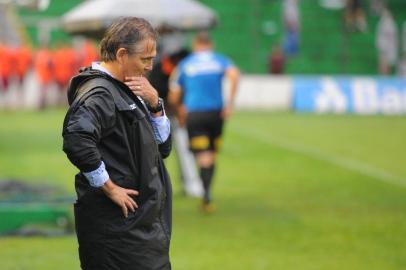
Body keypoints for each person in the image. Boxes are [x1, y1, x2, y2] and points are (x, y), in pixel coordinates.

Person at [62, 17, 172, 270]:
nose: (150, 66)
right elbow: (76, 138)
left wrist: (156, 105)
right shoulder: (100, 92)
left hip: (141, 226)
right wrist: (109, 187)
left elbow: (163, 149)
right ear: (122, 54)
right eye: (145, 59)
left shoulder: (131, 88)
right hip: (119, 230)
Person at [168, 31, 239, 213]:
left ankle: (206, 194)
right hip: (216, 114)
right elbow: (234, 75)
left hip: (195, 115)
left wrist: (180, 110)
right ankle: (207, 193)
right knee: (212, 154)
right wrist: (230, 104)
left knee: (202, 156)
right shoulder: (219, 60)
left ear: (195, 44)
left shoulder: (186, 64)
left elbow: (173, 94)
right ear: (210, 44)